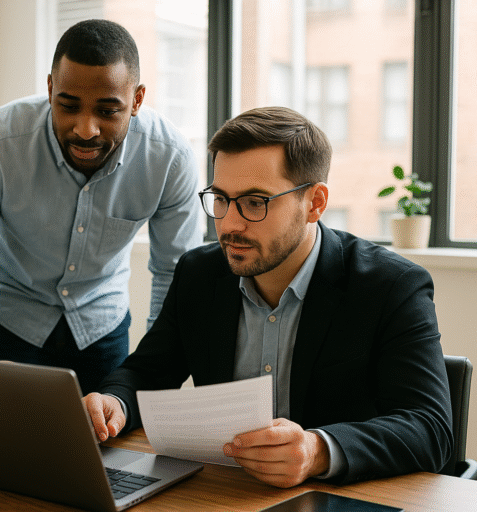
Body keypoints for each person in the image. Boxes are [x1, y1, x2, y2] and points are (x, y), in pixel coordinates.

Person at [83, 106, 452, 487]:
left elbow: (429, 427)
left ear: (315, 203)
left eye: (255, 202)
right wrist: (116, 403)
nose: (229, 224)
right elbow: (147, 371)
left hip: (337, 498)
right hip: (226, 492)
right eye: (221, 199)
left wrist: (317, 451)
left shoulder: (391, 286)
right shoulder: (200, 273)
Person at [0, 19, 202, 394]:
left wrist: (149, 381)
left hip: (103, 329)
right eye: (69, 106)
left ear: (137, 100)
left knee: (108, 450)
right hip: (10, 327)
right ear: (50, 88)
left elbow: (174, 277)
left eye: (108, 111)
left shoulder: (169, 158)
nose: (85, 129)